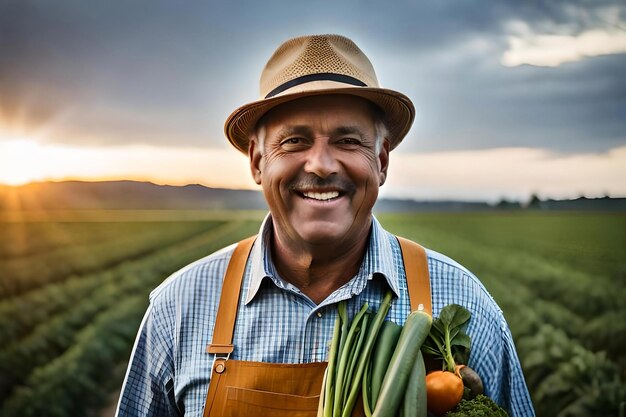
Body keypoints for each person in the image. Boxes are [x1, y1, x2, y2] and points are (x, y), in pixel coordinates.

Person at [116, 34, 534, 417]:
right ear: (258, 163)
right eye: (294, 141)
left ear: (382, 161)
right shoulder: (179, 308)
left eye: (347, 141)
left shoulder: (467, 304)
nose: (320, 165)